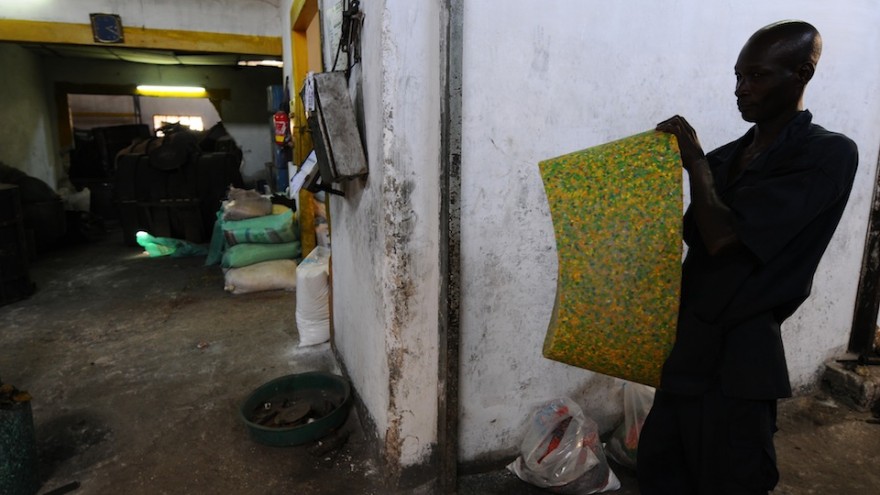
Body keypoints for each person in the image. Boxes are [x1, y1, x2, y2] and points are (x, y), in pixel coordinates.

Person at [638, 20, 859, 494]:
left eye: (757, 76)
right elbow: (694, 238)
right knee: (661, 469)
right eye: (738, 76)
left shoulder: (828, 154)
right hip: (688, 347)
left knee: (731, 478)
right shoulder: (725, 158)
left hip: (742, 359)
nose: (741, 90)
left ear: (803, 73)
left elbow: (721, 239)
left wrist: (694, 164)